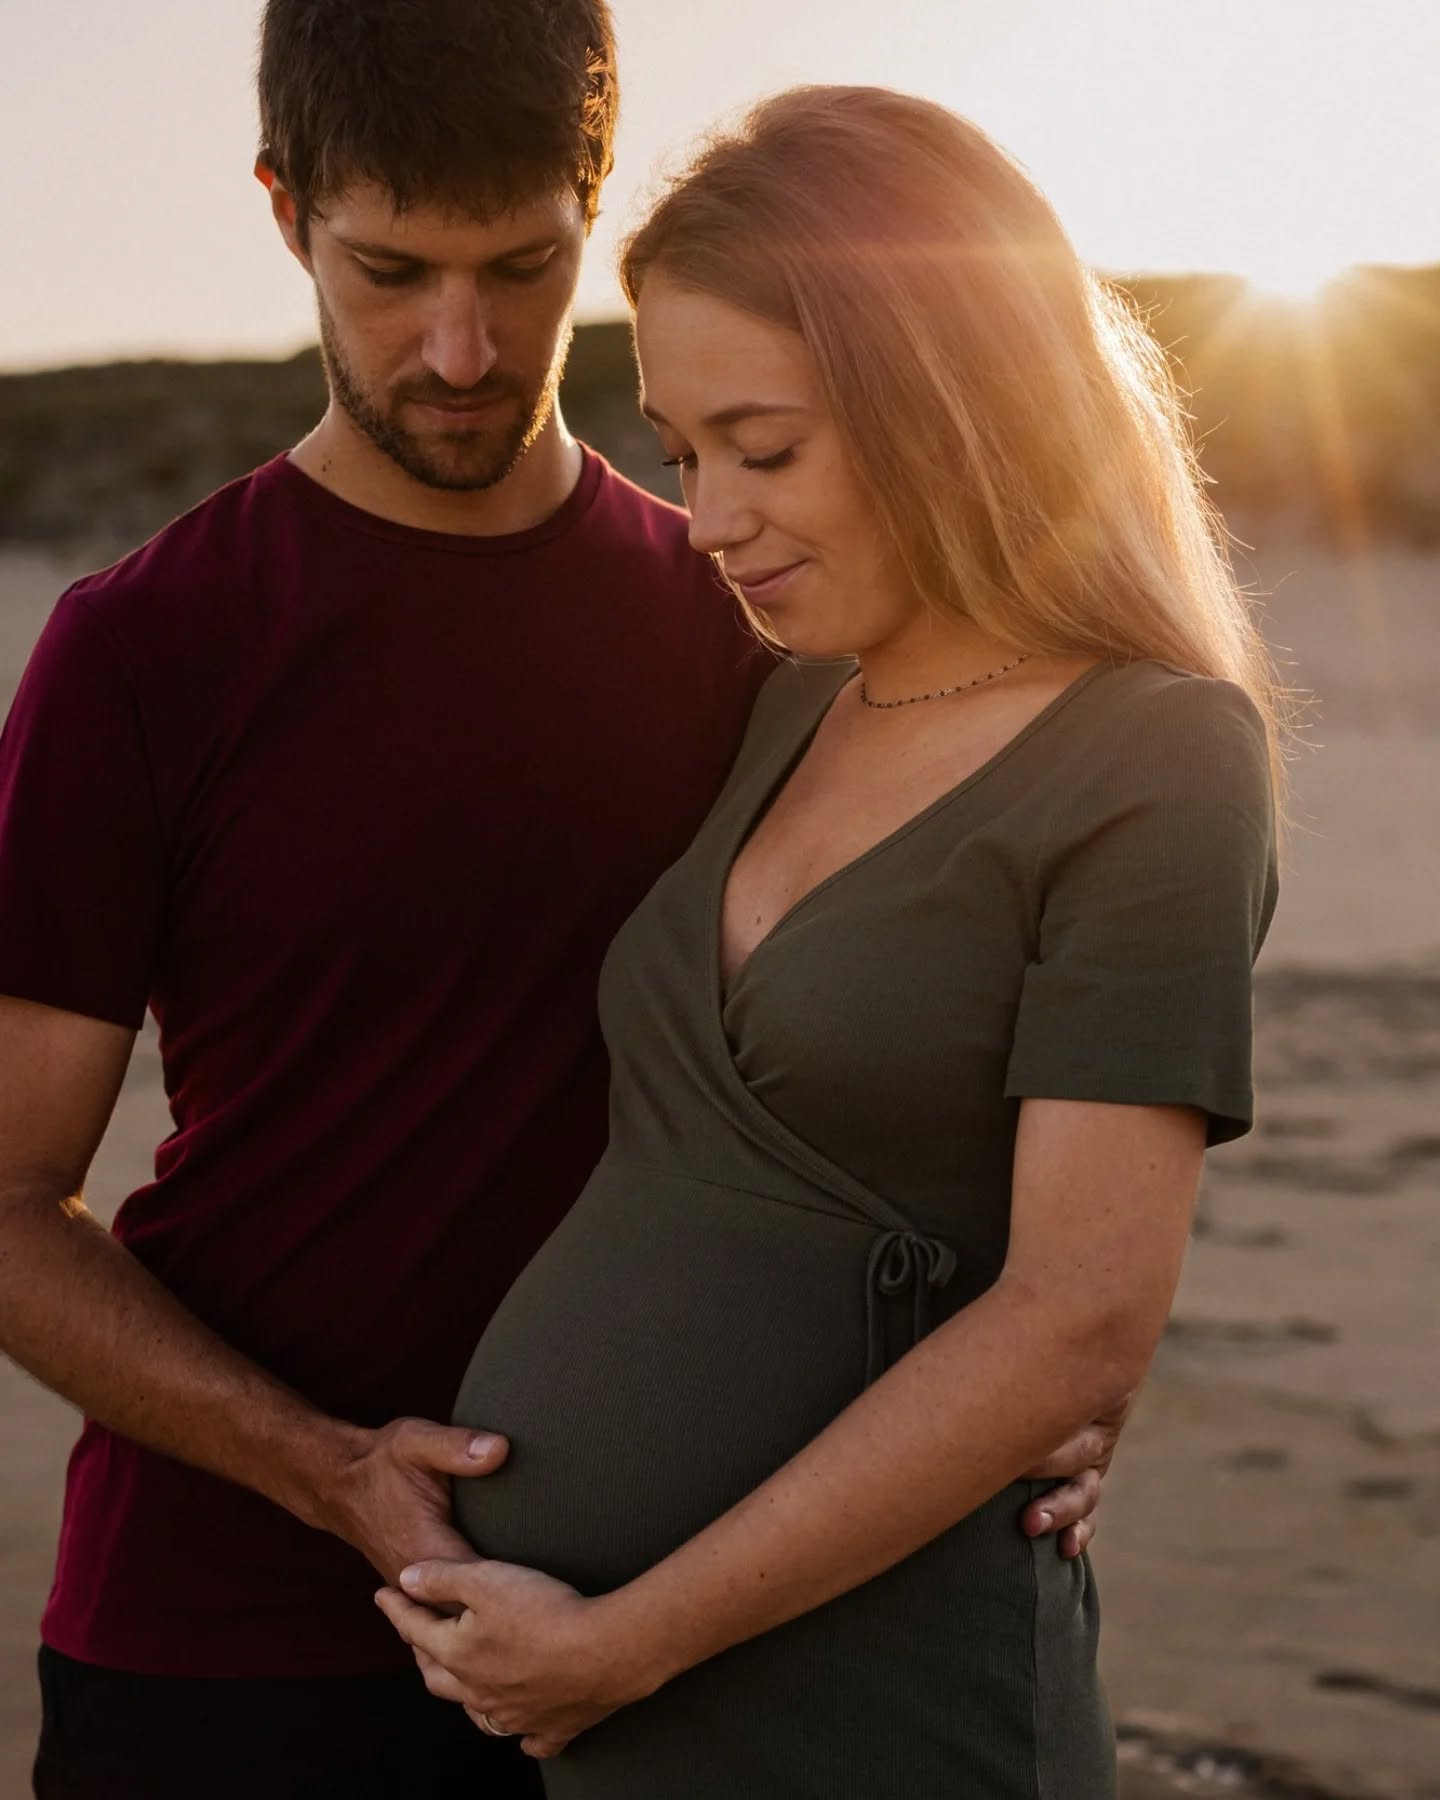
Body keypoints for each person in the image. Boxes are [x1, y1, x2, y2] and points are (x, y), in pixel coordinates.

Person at [0, 12, 1110, 1799]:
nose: (460, 347)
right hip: (229, 1651)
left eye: (523, 267)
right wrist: (329, 1465)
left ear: (597, 202)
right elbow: (6, 1198)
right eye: (390, 271)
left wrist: (1042, 1388)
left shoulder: (757, 622)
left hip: (691, 1633)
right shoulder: (144, 649)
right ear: (284, 211)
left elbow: (919, 1077)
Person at [372, 85, 1282, 1798]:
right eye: (683, 453)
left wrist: (627, 1636)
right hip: (614, 1705)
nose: (710, 519)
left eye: (765, 449)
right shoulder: (784, 709)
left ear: (958, 406)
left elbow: (1080, 1317)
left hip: (868, 1692)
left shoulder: (1154, 752)